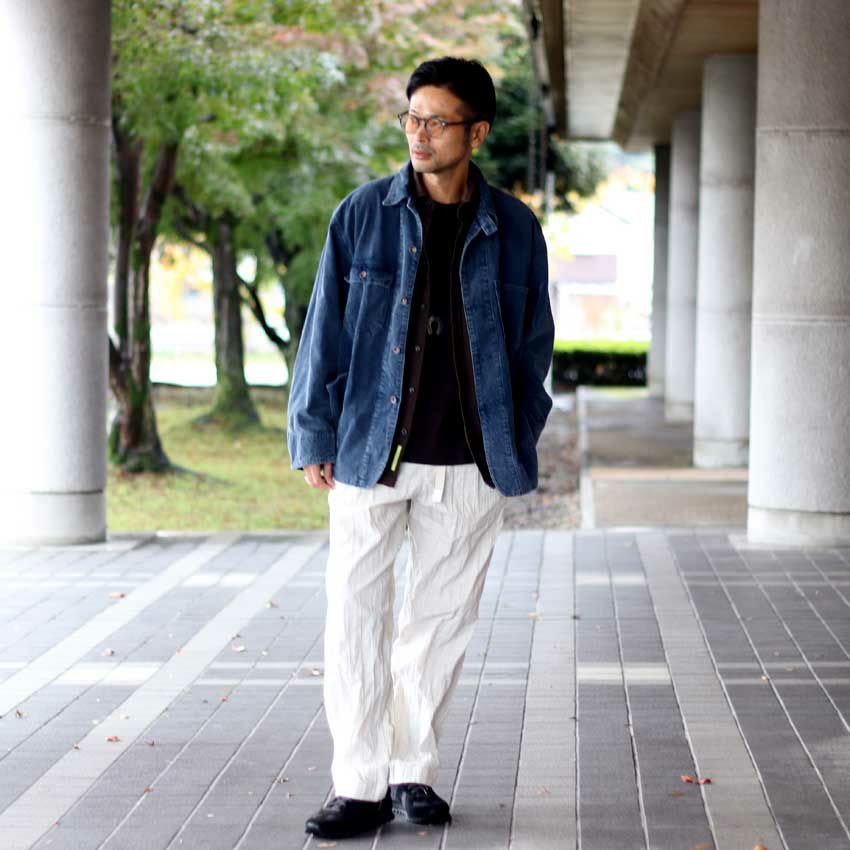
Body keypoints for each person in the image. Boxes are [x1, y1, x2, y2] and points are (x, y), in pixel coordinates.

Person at [287, 56, 555, 841]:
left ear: (476, 132)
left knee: (438, 627)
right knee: (355, 619)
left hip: (469, 462)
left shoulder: (515, 229)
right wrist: (312, 432)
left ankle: (413, 774)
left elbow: (532, 346)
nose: (419, 133)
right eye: (412, 117)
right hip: (370, 454)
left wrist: (517, 435)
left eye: (437, 121)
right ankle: (358, 784)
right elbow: (323, 333)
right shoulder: (362, 215)